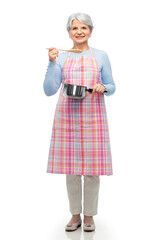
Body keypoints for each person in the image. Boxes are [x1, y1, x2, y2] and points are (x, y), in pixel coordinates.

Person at [43, 12, 116, 232]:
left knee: (92, 171)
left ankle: (90, 216)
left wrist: (105, 88)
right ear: (69, 33)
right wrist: (51, 63)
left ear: (91, 31)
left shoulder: (101, 55)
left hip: (93, 118)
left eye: (84, 28)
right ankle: (75, 215)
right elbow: (49, 90)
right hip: (67, 118)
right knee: (72, 170)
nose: (79, 31)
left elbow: (112, 85)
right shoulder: (62, 57)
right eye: (74, 28)